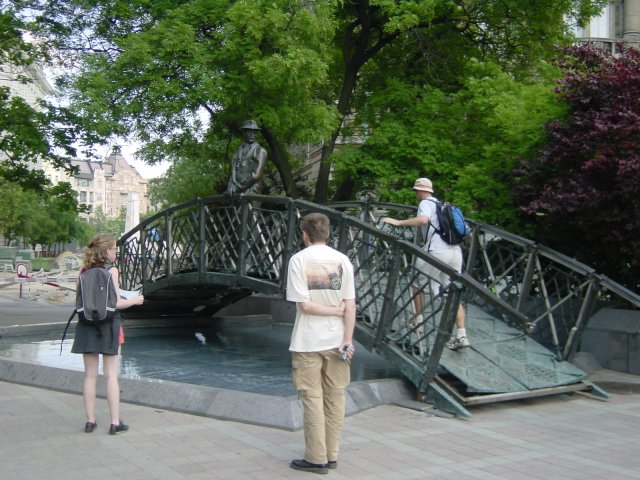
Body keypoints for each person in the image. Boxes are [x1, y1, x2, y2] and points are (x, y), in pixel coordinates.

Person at [287, 213, 356, 474]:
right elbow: (350, 305)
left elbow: (304, 305)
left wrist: (330, 311)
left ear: (304, 234)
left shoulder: (298, 260)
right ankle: (331, 454)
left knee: (312, 399)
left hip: (307, 342)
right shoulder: (343, 261)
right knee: (335, 398)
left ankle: (316, 459)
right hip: (338, 341)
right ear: (327, 233)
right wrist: (347, 339)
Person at [381, 178, 469, 350]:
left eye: (415, 191)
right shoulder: (443, 205)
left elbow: (422, 220)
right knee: (452, 291)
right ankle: (461, 335)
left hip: (436, 252)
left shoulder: (425, 203)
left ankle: (418, 322)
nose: (415, 194)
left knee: (416, 285)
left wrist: (399, 222)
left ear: (419, 191)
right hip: (455, 252)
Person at [71, 233, 144, 434]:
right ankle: (114, 422)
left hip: (86, 325)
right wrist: (134, 301)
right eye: (114, 250)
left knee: (89, 375)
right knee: (111, 375)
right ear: (106, 251)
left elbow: (79, 301)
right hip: (109, 324)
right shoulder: (112, 271)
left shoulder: (83, 271)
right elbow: (115, 302)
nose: (116, 253)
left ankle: (90, 421)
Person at [225, 119, 268, 195]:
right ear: (243, 132)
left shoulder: (260, 151)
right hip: (237, 194)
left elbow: (256, 176)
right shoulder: (238, 151)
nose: (252, 135)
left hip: (251, 193)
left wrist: (237, 188)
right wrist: (230, 186)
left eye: (254, 132)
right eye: (249, 132)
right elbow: (233, 171)